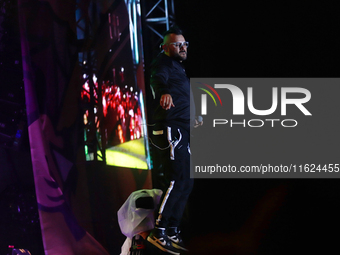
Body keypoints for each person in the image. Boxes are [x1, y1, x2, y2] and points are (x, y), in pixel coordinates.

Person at [147, 26, 202, 254]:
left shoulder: (178, 68)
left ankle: (172, 230)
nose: (182, 48)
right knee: (176, 178)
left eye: (184, 44)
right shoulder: (163, 63)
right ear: (165, 48)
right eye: (177, 45)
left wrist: (194, 116)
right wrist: (163, 93)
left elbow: (182, 96)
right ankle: (158, 231)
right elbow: (157, 79)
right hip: (171, 129)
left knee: (187, 181)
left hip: (183, 128)